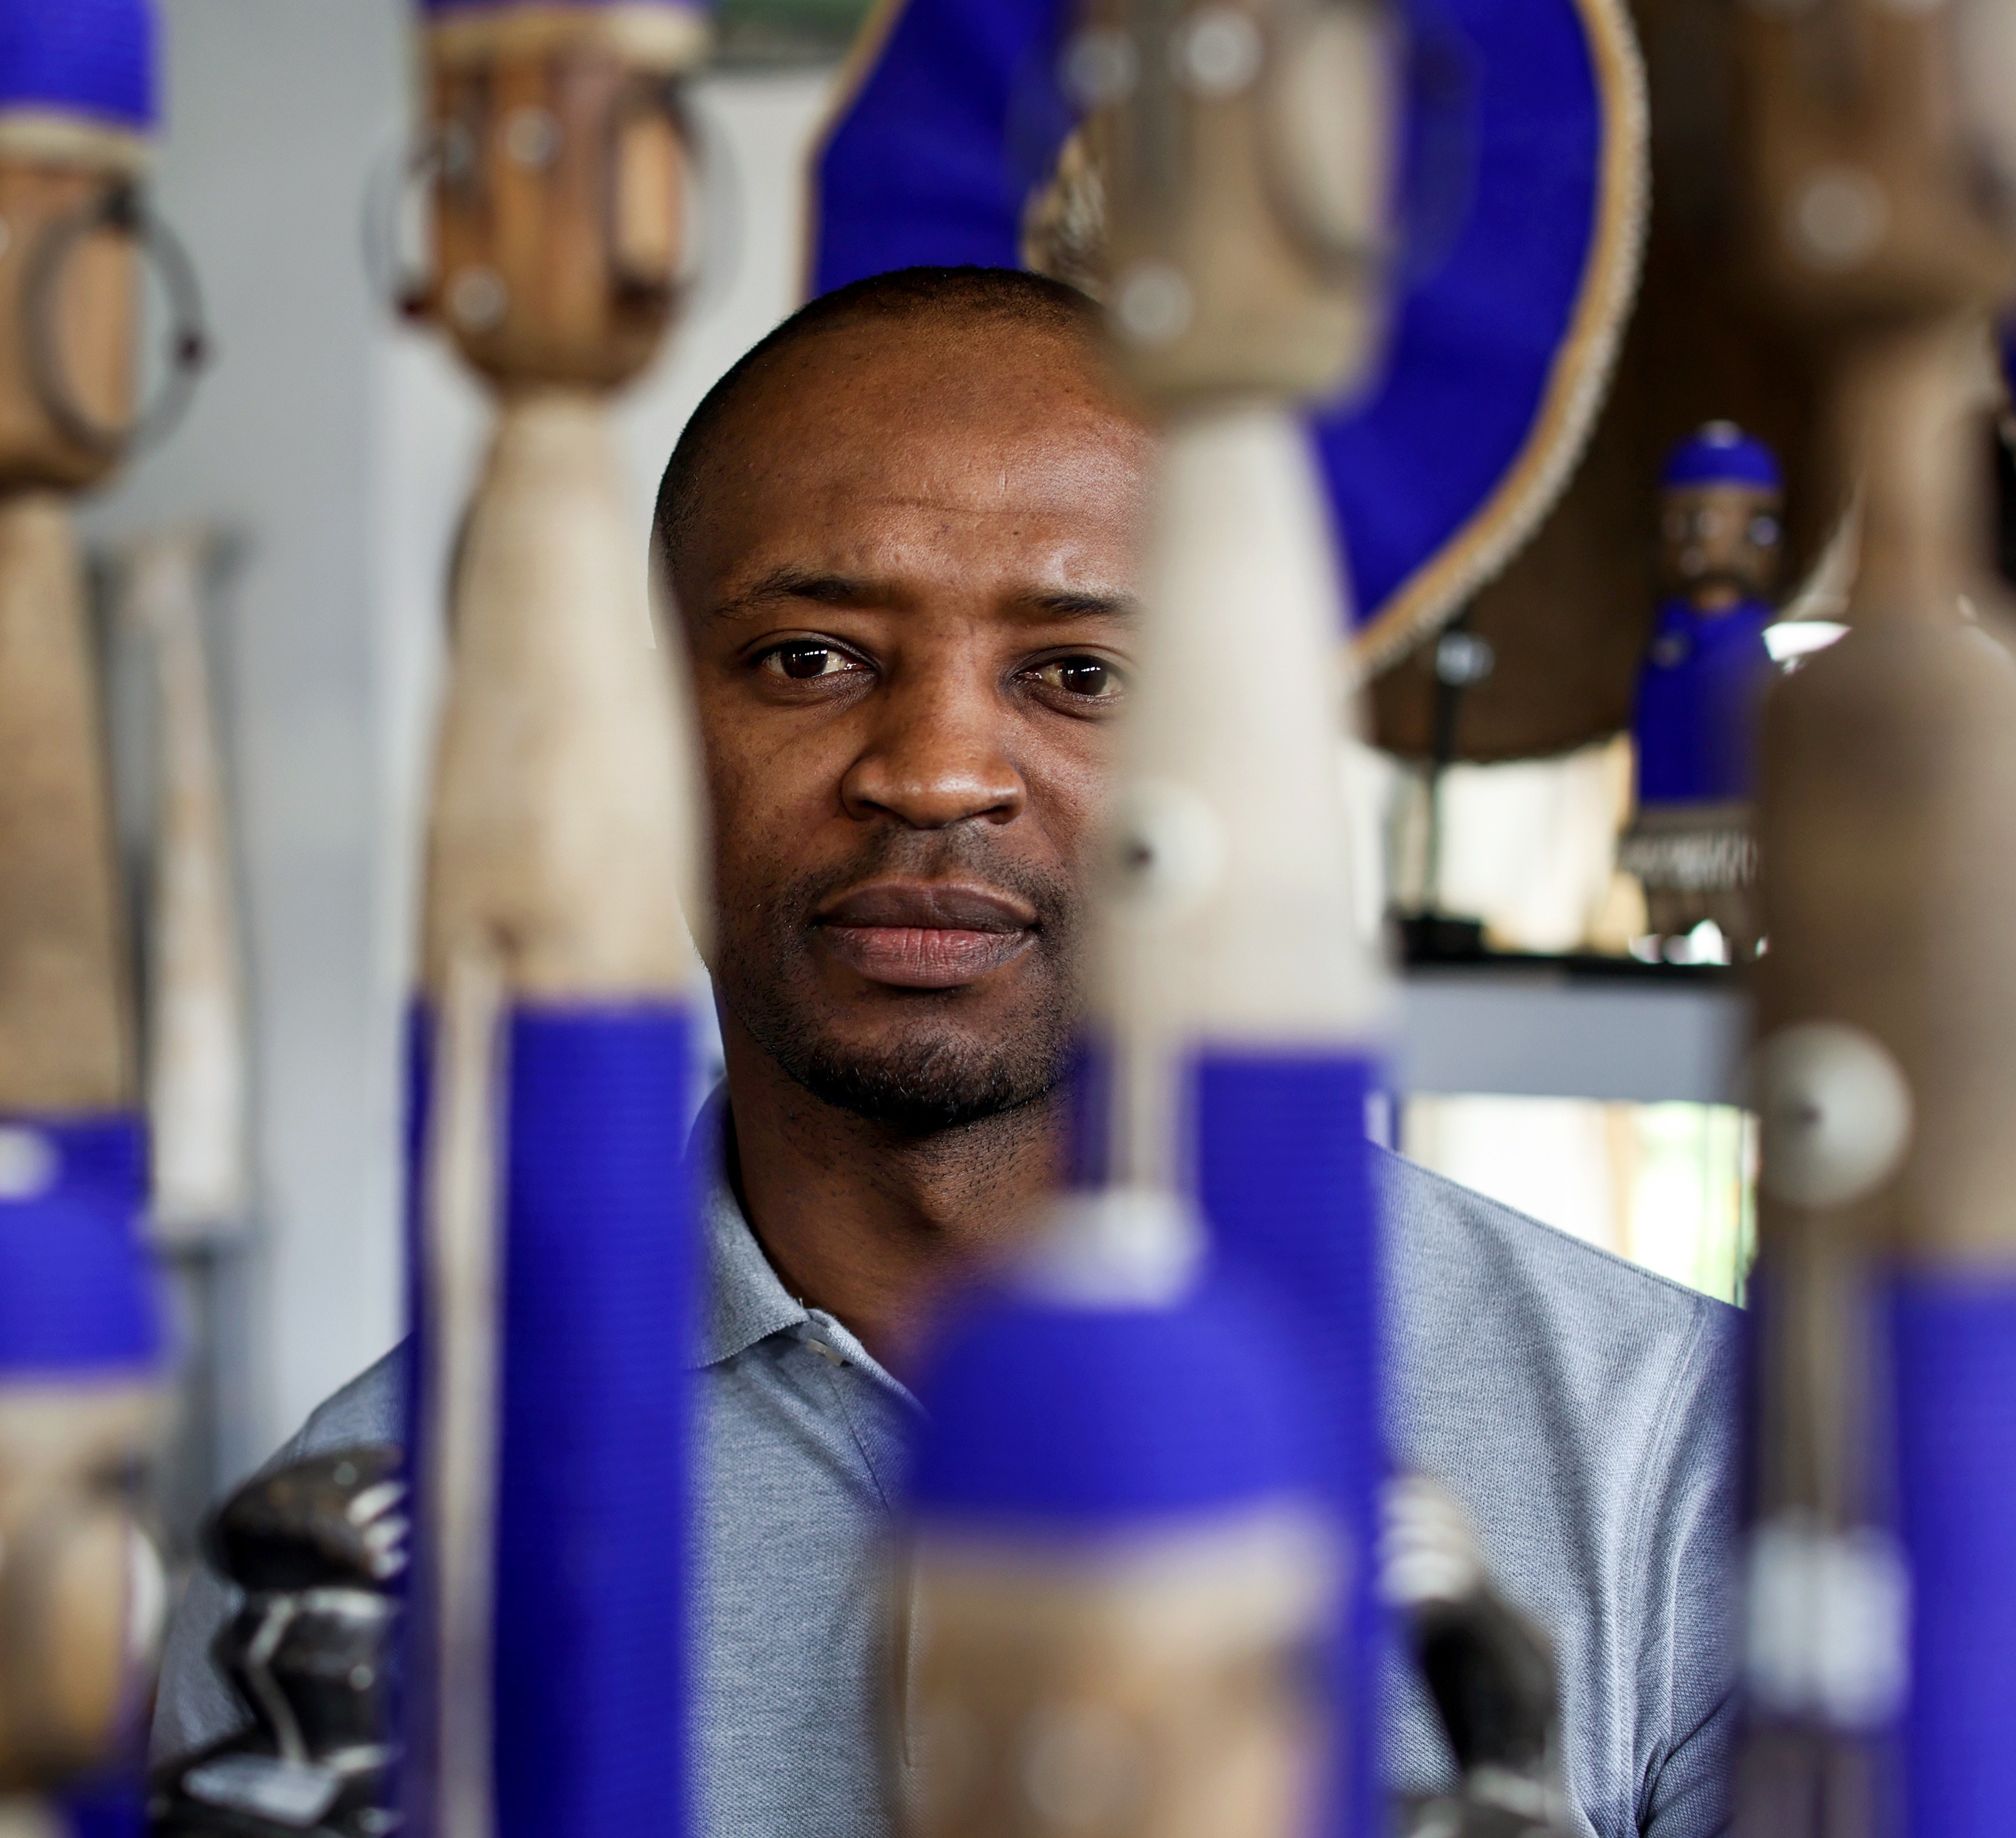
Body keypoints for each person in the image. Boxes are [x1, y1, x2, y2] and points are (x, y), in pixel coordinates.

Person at [153, 267, 1742, 1838]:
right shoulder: (364, 1546)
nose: (932, 772)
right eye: (808, 658)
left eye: (1077, 675)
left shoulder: (1662, 1450)